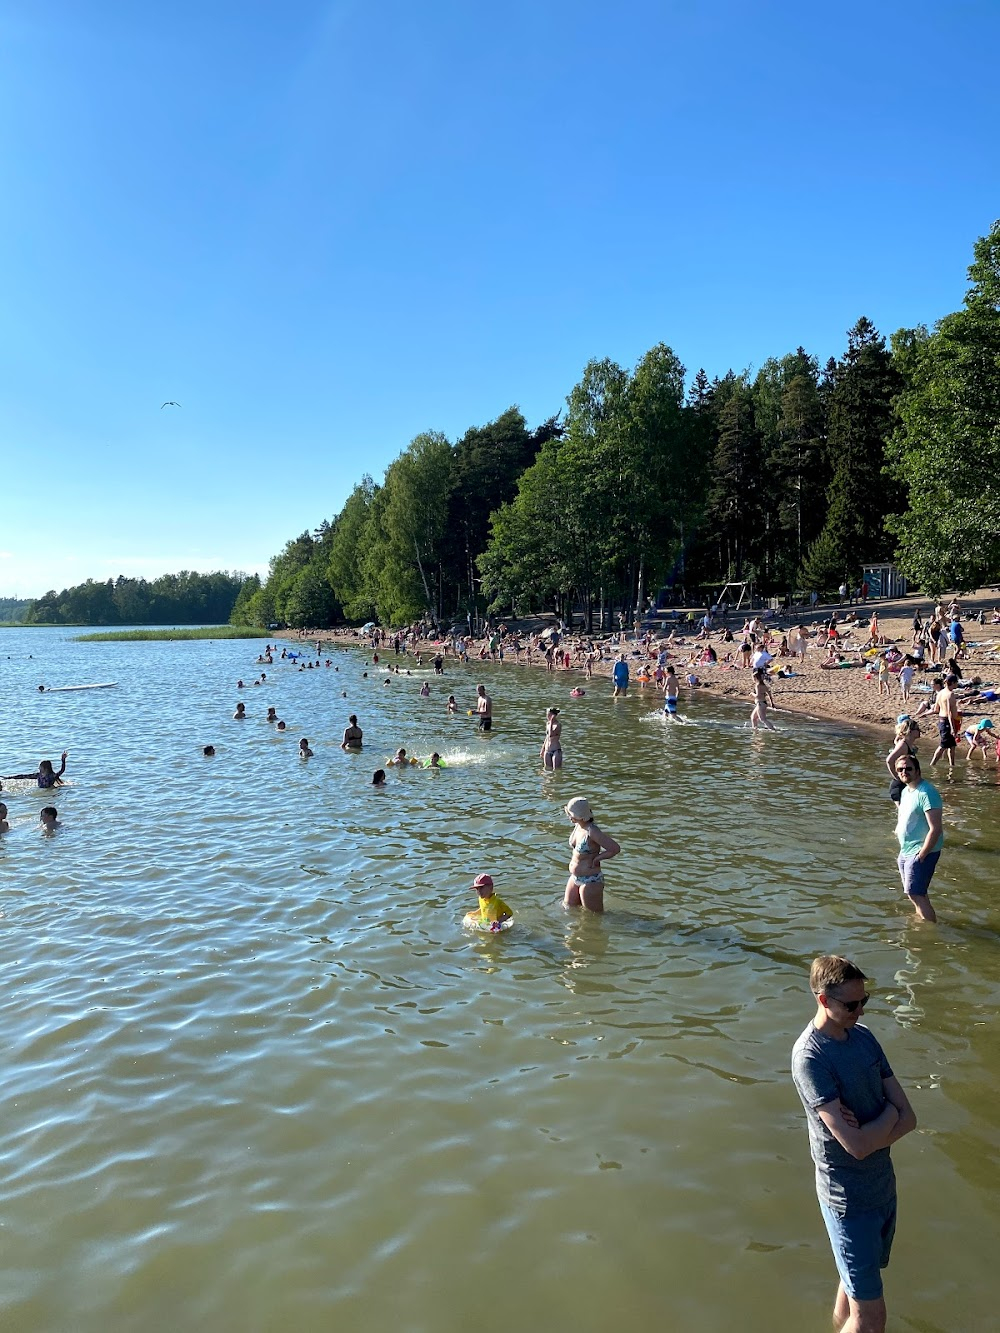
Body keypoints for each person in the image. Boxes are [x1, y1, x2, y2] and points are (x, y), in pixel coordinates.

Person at [791, 955, 916, 1333]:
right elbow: (856, 1147)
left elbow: (908, 1117)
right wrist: (887, 1117)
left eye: (865, 1001)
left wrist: (878, 1124)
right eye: (851, 1004)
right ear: (823, 1000)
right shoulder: (811, 1058)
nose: (860, 1011)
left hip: (881, 1187)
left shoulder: (863, 1038)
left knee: (853, 1285)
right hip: (847, 1200)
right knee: (872, 1317)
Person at [893, 755, 942, 923]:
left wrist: (922, 855)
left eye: (908, 768)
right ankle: (921, 919)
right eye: (900, 769)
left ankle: (930, 930)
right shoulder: (906, 791)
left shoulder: (927, 792)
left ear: (918, 770)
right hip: (906, 850)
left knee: (915, 893)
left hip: (921, 852)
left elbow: (935, 829)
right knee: (914, 893)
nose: (904, 772)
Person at [563, 796, 620, 913]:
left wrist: (598, 858)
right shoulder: (578, 826)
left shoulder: (592, 831)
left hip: (590, 880)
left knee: (594, 917)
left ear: (581, 816)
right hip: (575, 878)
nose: (569, 817)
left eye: (572, 814)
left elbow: (614, 848)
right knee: (568, 909)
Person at [885, 717, 920, 804]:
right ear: (910, 731)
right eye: (917, 729)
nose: (920, 731)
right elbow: (889, 760)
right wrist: (897, 777)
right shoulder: (903, 745)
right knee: (903, 815)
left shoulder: (908, 743)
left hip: (905, 785)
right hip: (899, 787)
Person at [929, 675, 960, 768]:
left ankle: (952, 765)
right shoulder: (950, 695)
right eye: (956, 682)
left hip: (941, 720)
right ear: (953, 683)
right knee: (943, 745)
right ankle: (932, 764)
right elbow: (950, 713)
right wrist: (953, 728)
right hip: (948, 722)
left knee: (952, 745)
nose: (957, 684)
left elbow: (935, 709)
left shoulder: (941, 692)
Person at [3, 752, 68, 788]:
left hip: (51, 792)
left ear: (45, 768)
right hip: (42, 791)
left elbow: (62, 770)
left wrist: (63, 760)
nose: (39, 768)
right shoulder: (38, 775)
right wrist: (9, 777)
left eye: (40, 767)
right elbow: (23, 776)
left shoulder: (52, 776)